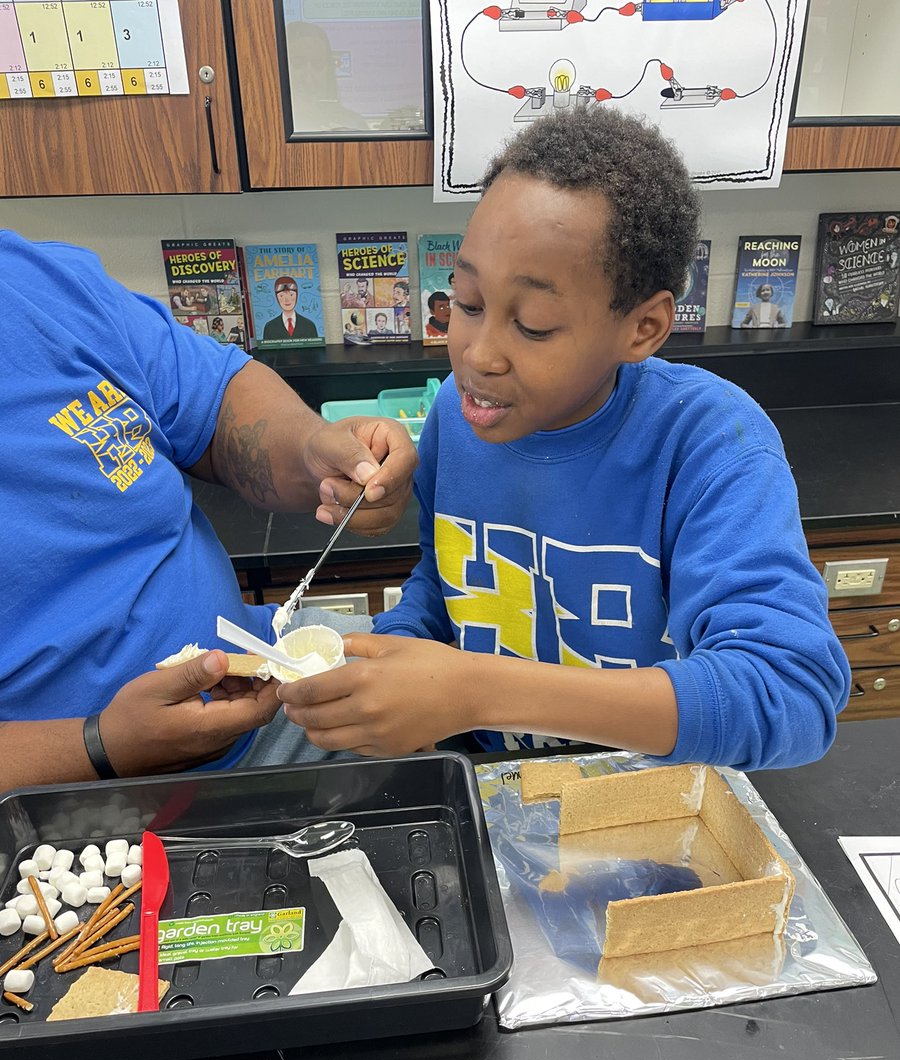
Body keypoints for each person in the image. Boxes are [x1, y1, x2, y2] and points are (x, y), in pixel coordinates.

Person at [279, 106, 850, 772]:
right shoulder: (461, 422)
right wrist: (387, 668)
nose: (478, 354)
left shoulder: (709, 442)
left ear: (642, 328)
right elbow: (450, 590)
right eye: (466, 302)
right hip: (495, 794)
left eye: (536, 324)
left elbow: (789, 693)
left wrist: (473, 691)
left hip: (653, 810)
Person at [0, 229, 417, 792]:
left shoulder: (34, 280)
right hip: (83, 805)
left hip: (267, 665)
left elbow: (215, 402)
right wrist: (103, 747)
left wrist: (312, 452)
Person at [262, 276, 319, 342]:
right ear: (277, 298)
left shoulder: (309, 325)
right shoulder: (269, 327)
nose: (287, 300)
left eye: (291, 295)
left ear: (296, 296)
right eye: (281, 296)